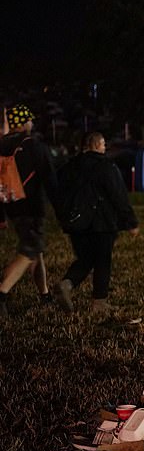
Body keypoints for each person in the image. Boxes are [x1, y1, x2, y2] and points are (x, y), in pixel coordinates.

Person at [53, 132, 139, 315]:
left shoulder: (69, 166)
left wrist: (63, 217)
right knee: (102, 261)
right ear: (99, 145)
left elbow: (58, 193)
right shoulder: (106, 166)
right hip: (102, 223)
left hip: (76, 224)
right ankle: (99, 302)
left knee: (85, 259)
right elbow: (118, 195)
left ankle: (66, 284)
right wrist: (130, 222)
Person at [0, 104, 58, 316]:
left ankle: (44, 294)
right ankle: (2, 292)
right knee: (29, 250)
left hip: (11, 206)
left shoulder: (1, 146)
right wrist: (61, 210)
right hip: (31, 207)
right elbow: (51, 180)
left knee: (36, 253)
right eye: (29, 120)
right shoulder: (34, 145)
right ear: (24, 123)